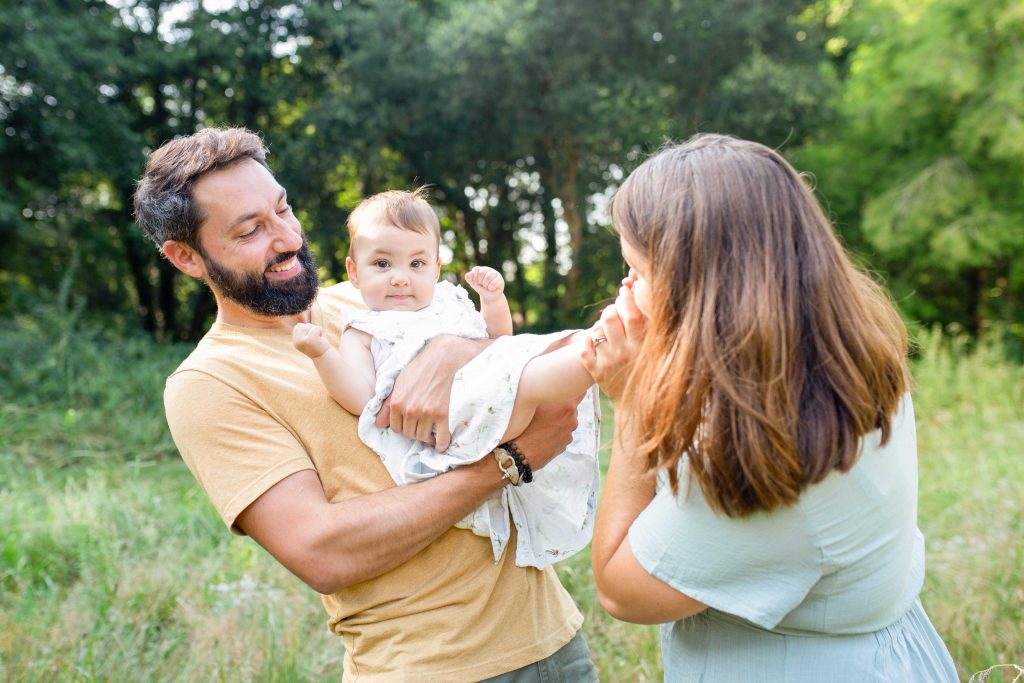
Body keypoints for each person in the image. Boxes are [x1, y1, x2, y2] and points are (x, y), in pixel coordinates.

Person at [133, 127, 599, 682]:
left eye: (282, 209)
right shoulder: (211, 383)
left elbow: (519, 354)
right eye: (251, 229)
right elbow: (322, 552)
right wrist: (507, 462)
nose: (285, 237)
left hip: (556, 642)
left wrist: (458, 347)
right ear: (186, 257)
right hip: (427, 669)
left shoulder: (373, 298)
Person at [581, 134, 959, 681]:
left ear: (698, 286)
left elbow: (622, 591)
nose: (625, 287)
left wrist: (633, 402)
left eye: (636, 270)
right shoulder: (841, 359)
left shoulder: (759, 450)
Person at [291, 188, 600, 569]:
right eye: (383, 264)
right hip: (453, 429)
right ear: (354, 272)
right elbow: (362, 397)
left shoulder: (449, 301)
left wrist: (492, 301)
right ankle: (596, 353)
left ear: (437, 268)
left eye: (417, 264)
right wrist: (322, 354)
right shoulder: (364, 330)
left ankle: (593, 357)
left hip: (496, 400)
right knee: (528, 377)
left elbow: (497, 339)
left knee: (525, 373)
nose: (401, 278)